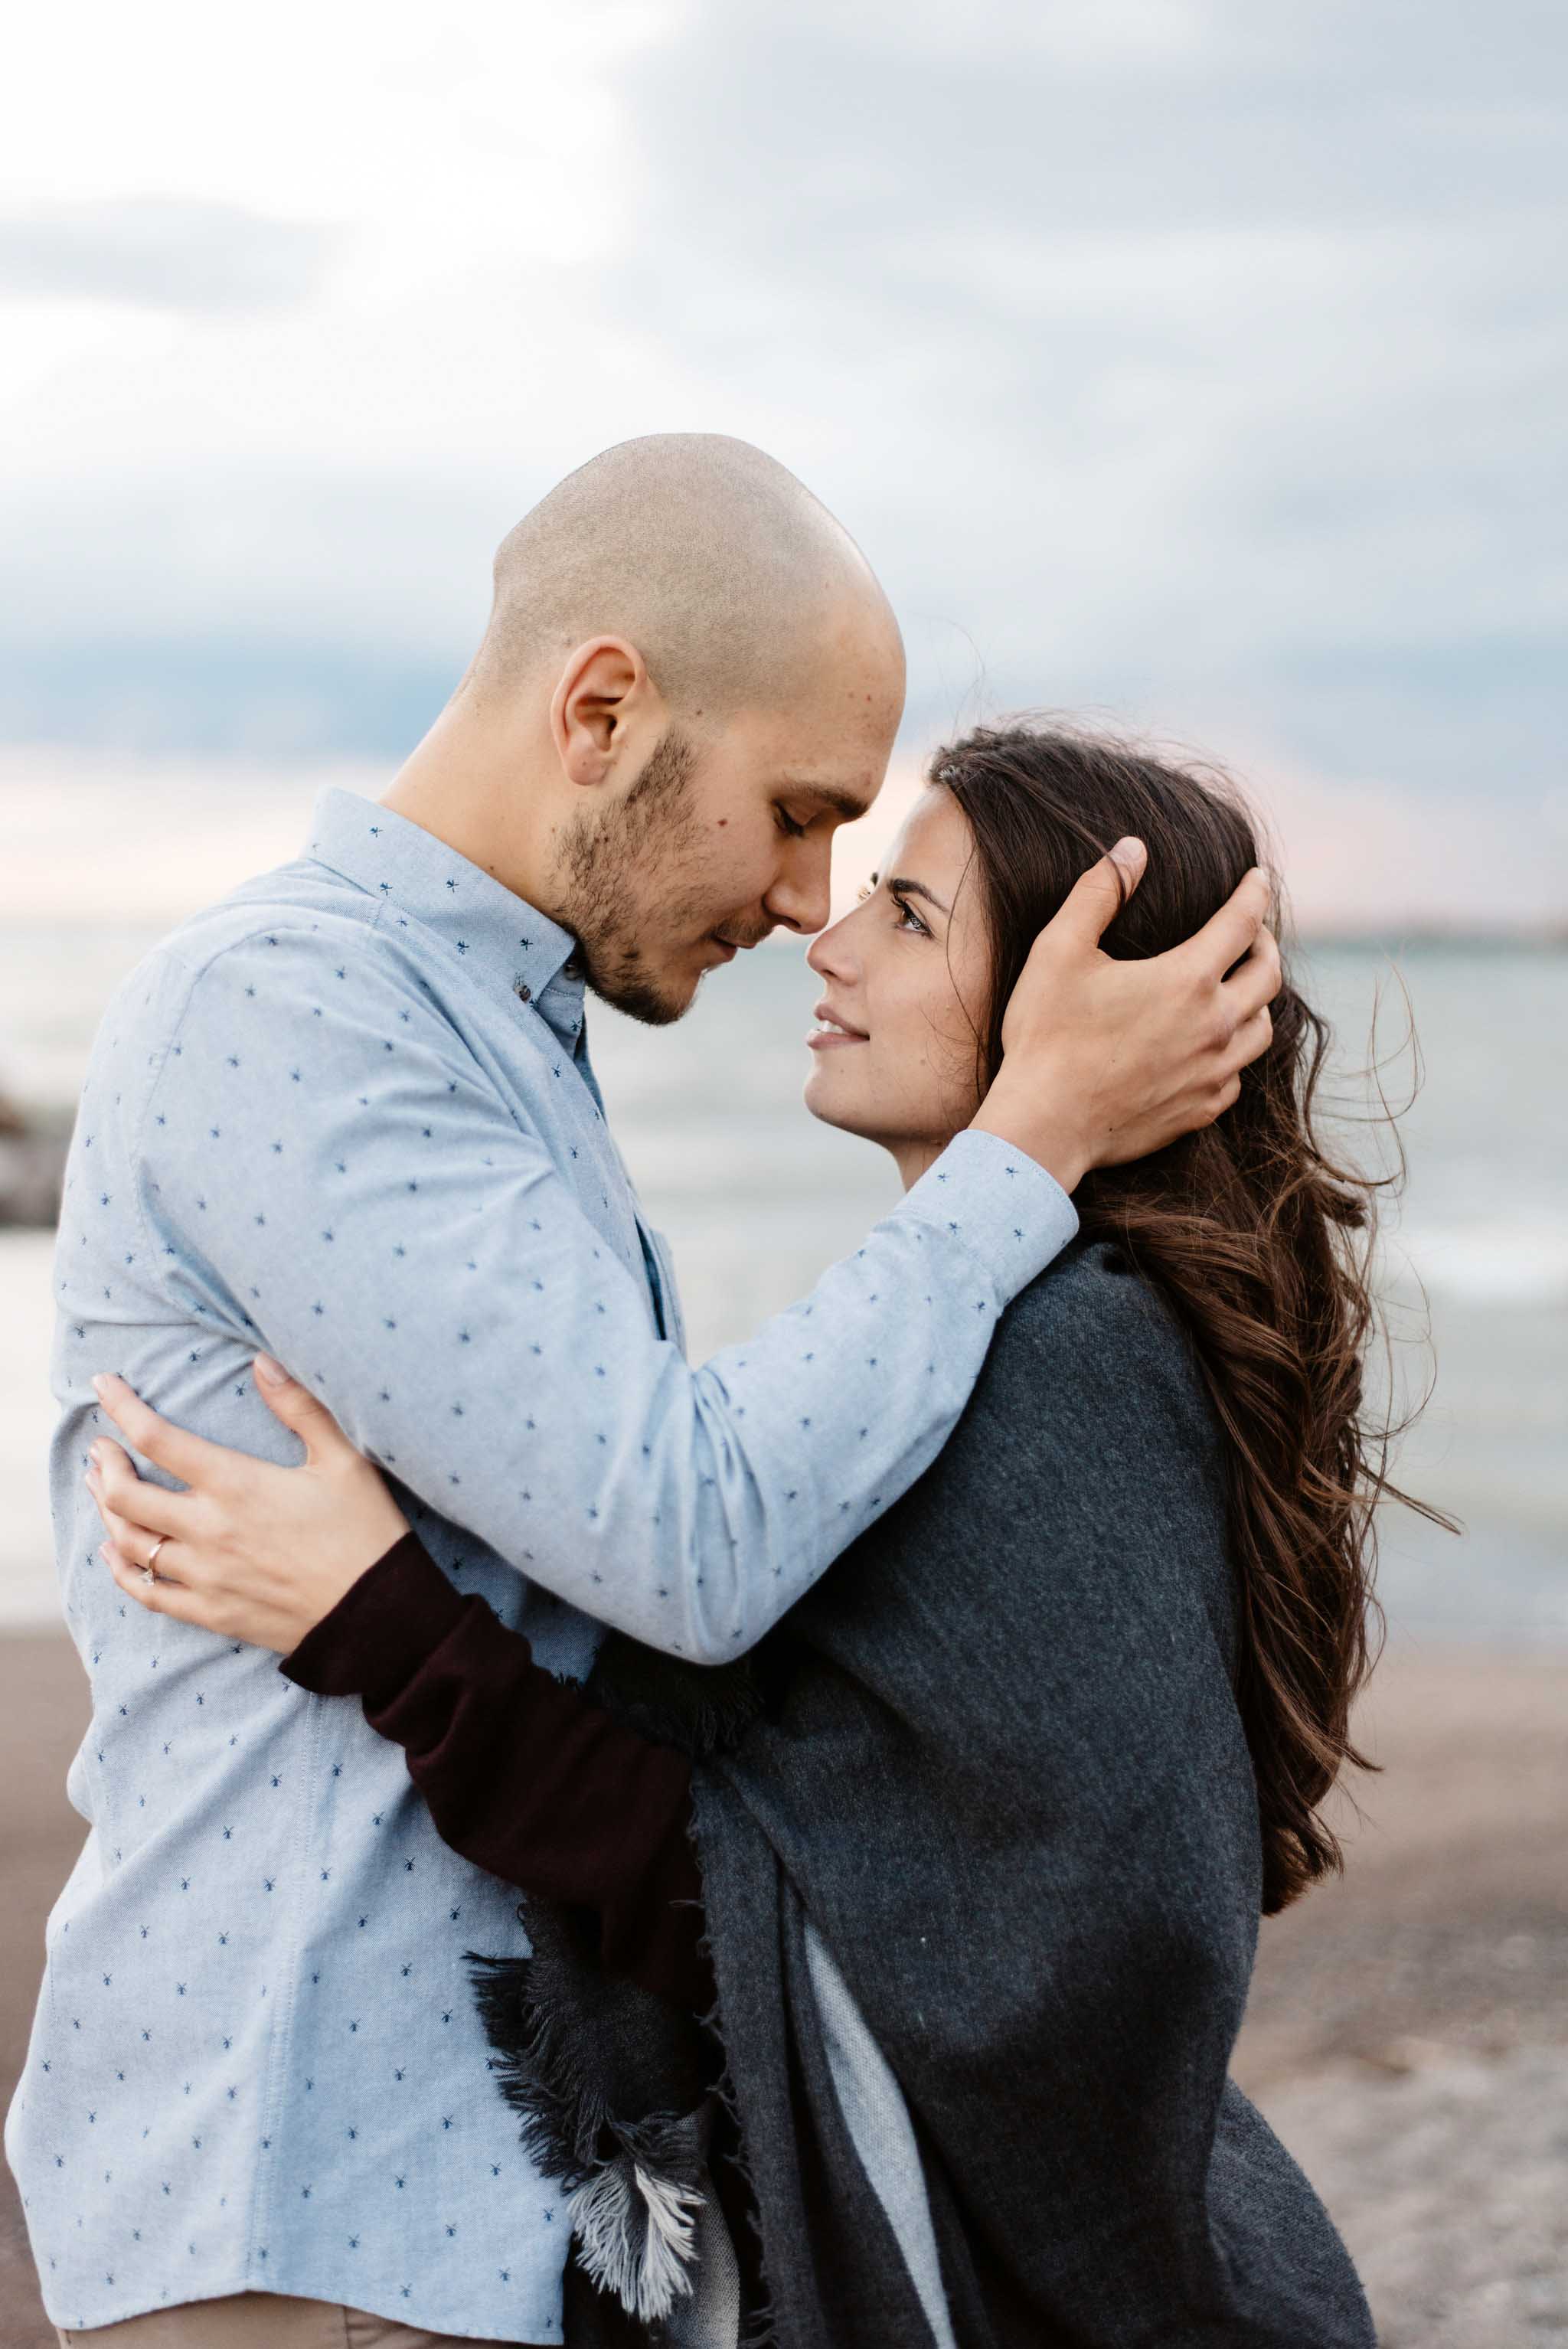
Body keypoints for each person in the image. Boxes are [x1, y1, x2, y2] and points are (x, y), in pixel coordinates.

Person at [10, 439, 1280, 2349]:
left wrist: (381, 1614)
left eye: (866, 864)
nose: (805, 900)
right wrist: (1032, 1135)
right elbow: (689, 1539)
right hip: (314, 2183)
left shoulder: (500, 1033)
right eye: (796, 812)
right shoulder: (295, 1009)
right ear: (601, 709)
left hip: (489, 2200)